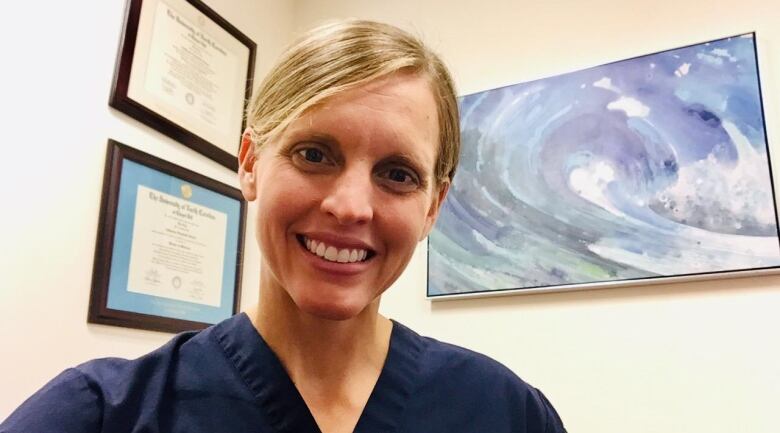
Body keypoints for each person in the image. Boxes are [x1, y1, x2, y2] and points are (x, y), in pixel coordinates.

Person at [1, 19, 565, 433]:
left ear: (434, 206)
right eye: (315, 154)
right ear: (249, 163)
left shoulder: (507, 413)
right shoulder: (99, 414)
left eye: (397, 173)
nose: (350, 207)